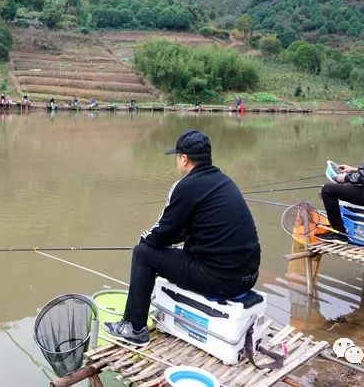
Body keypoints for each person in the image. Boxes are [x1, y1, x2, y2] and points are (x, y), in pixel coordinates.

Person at [102, 129, 261, 347]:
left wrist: (143, 241)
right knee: (156, 252)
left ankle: (134, 327)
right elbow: (187, 230)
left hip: (221, 280)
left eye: (177, 157)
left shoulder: (186, 186)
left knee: (143, 254)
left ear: (184, 159)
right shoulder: (224, 182)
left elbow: (160, 235)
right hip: (248, 276)